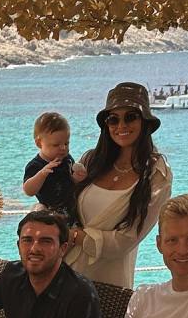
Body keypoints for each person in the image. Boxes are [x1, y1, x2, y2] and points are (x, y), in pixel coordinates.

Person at [66, 82, 173, 288]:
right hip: (64, 274)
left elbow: (126, 241)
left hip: (109, 285)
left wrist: (75, 236)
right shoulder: (90, 160)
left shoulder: (156, 174)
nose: (121, 126)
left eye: (130, 117)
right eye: (113, 119)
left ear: (145, 122)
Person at [21, 111, 86, 227]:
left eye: (66, 143)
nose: (63, 148)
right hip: (49, 213)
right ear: (39, 143)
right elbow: (28, 190)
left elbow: (71, 182)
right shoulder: (36, 165)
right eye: (56, 145)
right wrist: (42, 174)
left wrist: (77, 178)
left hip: (71, 211)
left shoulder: (67, 159)